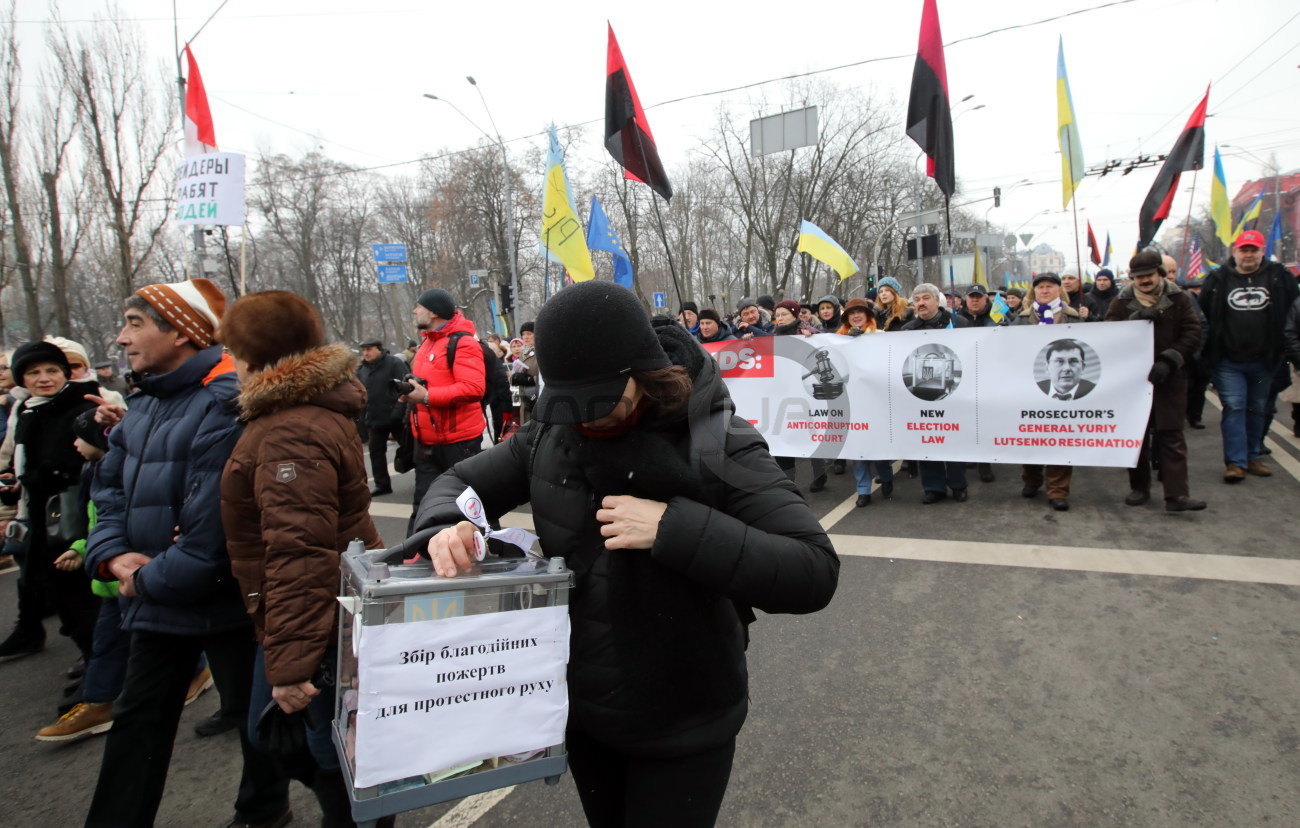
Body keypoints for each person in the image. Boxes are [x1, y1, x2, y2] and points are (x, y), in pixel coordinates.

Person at [413, 281, 838, 827]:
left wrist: (673, 526)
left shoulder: (719, 440)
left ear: (644, 372)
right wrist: (448, 524)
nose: (585, 421)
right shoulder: (550, 433)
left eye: (599, 402)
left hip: (686, 718)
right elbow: (459, 482)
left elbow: (813, 570)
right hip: (585, 711)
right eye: (572, 405)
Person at [84, 278, 290, 828]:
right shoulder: (142, 404)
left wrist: (147, 579)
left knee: (258, 720)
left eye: (135, 323)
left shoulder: (224, 402)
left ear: (179, 331)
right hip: (153, 591)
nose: (122, 338)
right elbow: (109, 488)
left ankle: (264, 811)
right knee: (136, 724)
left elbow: (215, 523)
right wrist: (111, 554)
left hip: (220, 597)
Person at [216, 291, 388, 828]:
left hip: (320, 622)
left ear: (253, 355)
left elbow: (300, 553)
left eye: (233, 351)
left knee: (333, 755)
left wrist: (290, 666)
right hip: (330, 614)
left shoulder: (289, 428)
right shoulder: (299, 414)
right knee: (339, 750)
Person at [0, 341, 100, 668]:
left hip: (71, 513)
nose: (44, 378)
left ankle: (99, 667)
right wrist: (13, 488)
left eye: (52, 370)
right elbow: (15, 458)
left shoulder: (80, 403)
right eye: (33, 372)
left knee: (79, 593)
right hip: (37, 513)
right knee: (51, 589)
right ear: (22, 378)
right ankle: (91, 661)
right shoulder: (26, 409)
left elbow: (86, 459)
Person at [1104, 251, 1206, 511]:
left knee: (1171, 435)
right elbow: (1108, 333)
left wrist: (1170, 359)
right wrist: (1133, 320)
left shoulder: (1178, 298)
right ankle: (1139, 487)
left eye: (1148, 275)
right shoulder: (1121, 301)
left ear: (1159, 273)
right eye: (1138, 277)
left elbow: (1193, 332)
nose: (1144, 281)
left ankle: (1176, 496)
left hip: (1169, 377)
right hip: (1134, 381)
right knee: (1136, 437)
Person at [1198, 229, 1299, 482]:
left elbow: (1294, 313)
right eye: (1244, 249)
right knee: (1234, 407)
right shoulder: (1217, 279)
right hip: (1227, 360)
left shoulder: (1279, 277)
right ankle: (1235, 462)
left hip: (1265, 359)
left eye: (1253, 250)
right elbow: (1203, 318)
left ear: (1261, 251)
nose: (1249, 255)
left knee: (1258, 408)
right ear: (1235, 252)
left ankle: (1253, 456)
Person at [403, 288, 486, 534]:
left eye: (419, 306)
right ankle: (412, 558)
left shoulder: (463, 343)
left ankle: (496, 550)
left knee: (472, 505)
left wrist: (426, 397)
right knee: (422, 503)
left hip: (458, 442)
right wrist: (410, 393)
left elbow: (473, 388)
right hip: (427, 442)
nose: (414, 310)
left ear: (435, 312)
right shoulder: (427, 343)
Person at [1012, 274, 1083, 512]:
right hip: (1028, 387)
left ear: (1058, 290)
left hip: (1062, 389)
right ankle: (1031, 479)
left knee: (1060, 438)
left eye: (1049, 287)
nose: (1044, 290)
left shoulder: (1073, 318)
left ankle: (1058, 490)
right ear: (1034, 291)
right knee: (1031, 435)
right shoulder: (1022, 319)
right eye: (1040, 287)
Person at [901, 284, 970, 503]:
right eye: (916, 299)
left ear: (936, 300)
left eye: (925, 298)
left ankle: (958, 484)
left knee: (952, 439)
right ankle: (933, 487)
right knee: (927, 438)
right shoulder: (908, 329)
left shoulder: (958, 323)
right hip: (921, 392)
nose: (920, 303)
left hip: (953, 391)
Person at [356, 338, 409, 496]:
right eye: (364, 350)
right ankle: (382, 484)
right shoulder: (362, 370)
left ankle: (423, 476)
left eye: (369, 349)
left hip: (396, 417)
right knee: (376, 452)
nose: (366, 353)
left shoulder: (393, 363)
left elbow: (405, 386)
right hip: (375, 419)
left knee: (409, 449)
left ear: (379, 349)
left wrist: (399, 410)